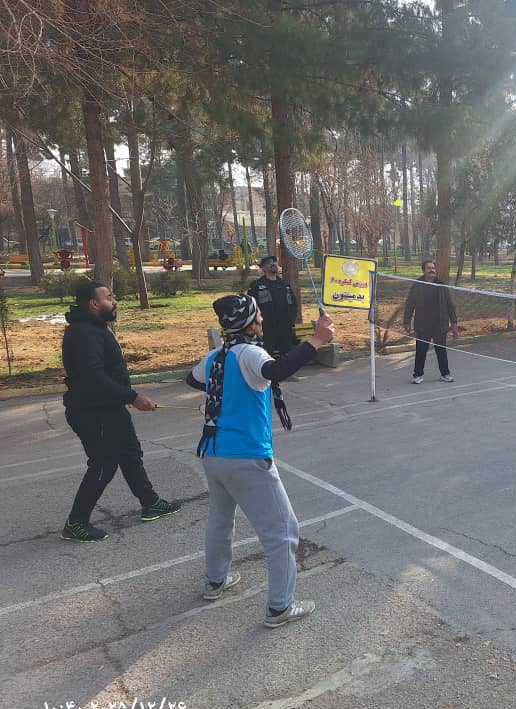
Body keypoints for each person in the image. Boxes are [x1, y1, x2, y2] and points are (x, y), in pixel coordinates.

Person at [186, 294, 334, 628]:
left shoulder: (216, 356)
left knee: (220, 520)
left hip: (213, 453)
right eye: (258, 316)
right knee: (283, 531)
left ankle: (215, 580)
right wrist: (317, 340)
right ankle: (281, 606)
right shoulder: (251, 354)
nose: (263, 320)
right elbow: (276, 371)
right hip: (247, 456)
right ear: (249, 324)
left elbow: (192, 379)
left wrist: (222, 390)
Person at [60, 281, 182, 542]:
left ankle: (150, 502)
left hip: (109, 406)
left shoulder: (95, 327)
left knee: (130, 453)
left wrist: (123, 396)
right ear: (94, 303)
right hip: (93, 412)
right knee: (104, 464)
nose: (114, 301)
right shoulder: (83, 333)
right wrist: (132, 396)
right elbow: (93, 377)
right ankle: (76, 522)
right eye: (109, 297)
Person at [402, 259, 461, 383]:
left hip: (440, 324)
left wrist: (454, 322)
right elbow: (410, 304)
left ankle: (445, 374)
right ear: (424, 270)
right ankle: (418, 375)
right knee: (421, 351)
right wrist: (406, 321)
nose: (432, 270)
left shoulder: (441, 285)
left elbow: (449, 305)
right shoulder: (417, 285)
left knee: (441, 351)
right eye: (429, 268)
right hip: (423, 324)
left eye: (433, 268)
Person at [248, 254, 299, 357]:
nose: (273, 264)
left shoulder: (284, 285)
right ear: (263, 268)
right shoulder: (257, 286)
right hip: (267, 330)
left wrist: (291, 319)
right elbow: (252, 306)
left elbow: (293, 304)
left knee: (287, 358)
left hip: (285, 329)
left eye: (274, 262)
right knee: (267, 357)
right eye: (269, 263)